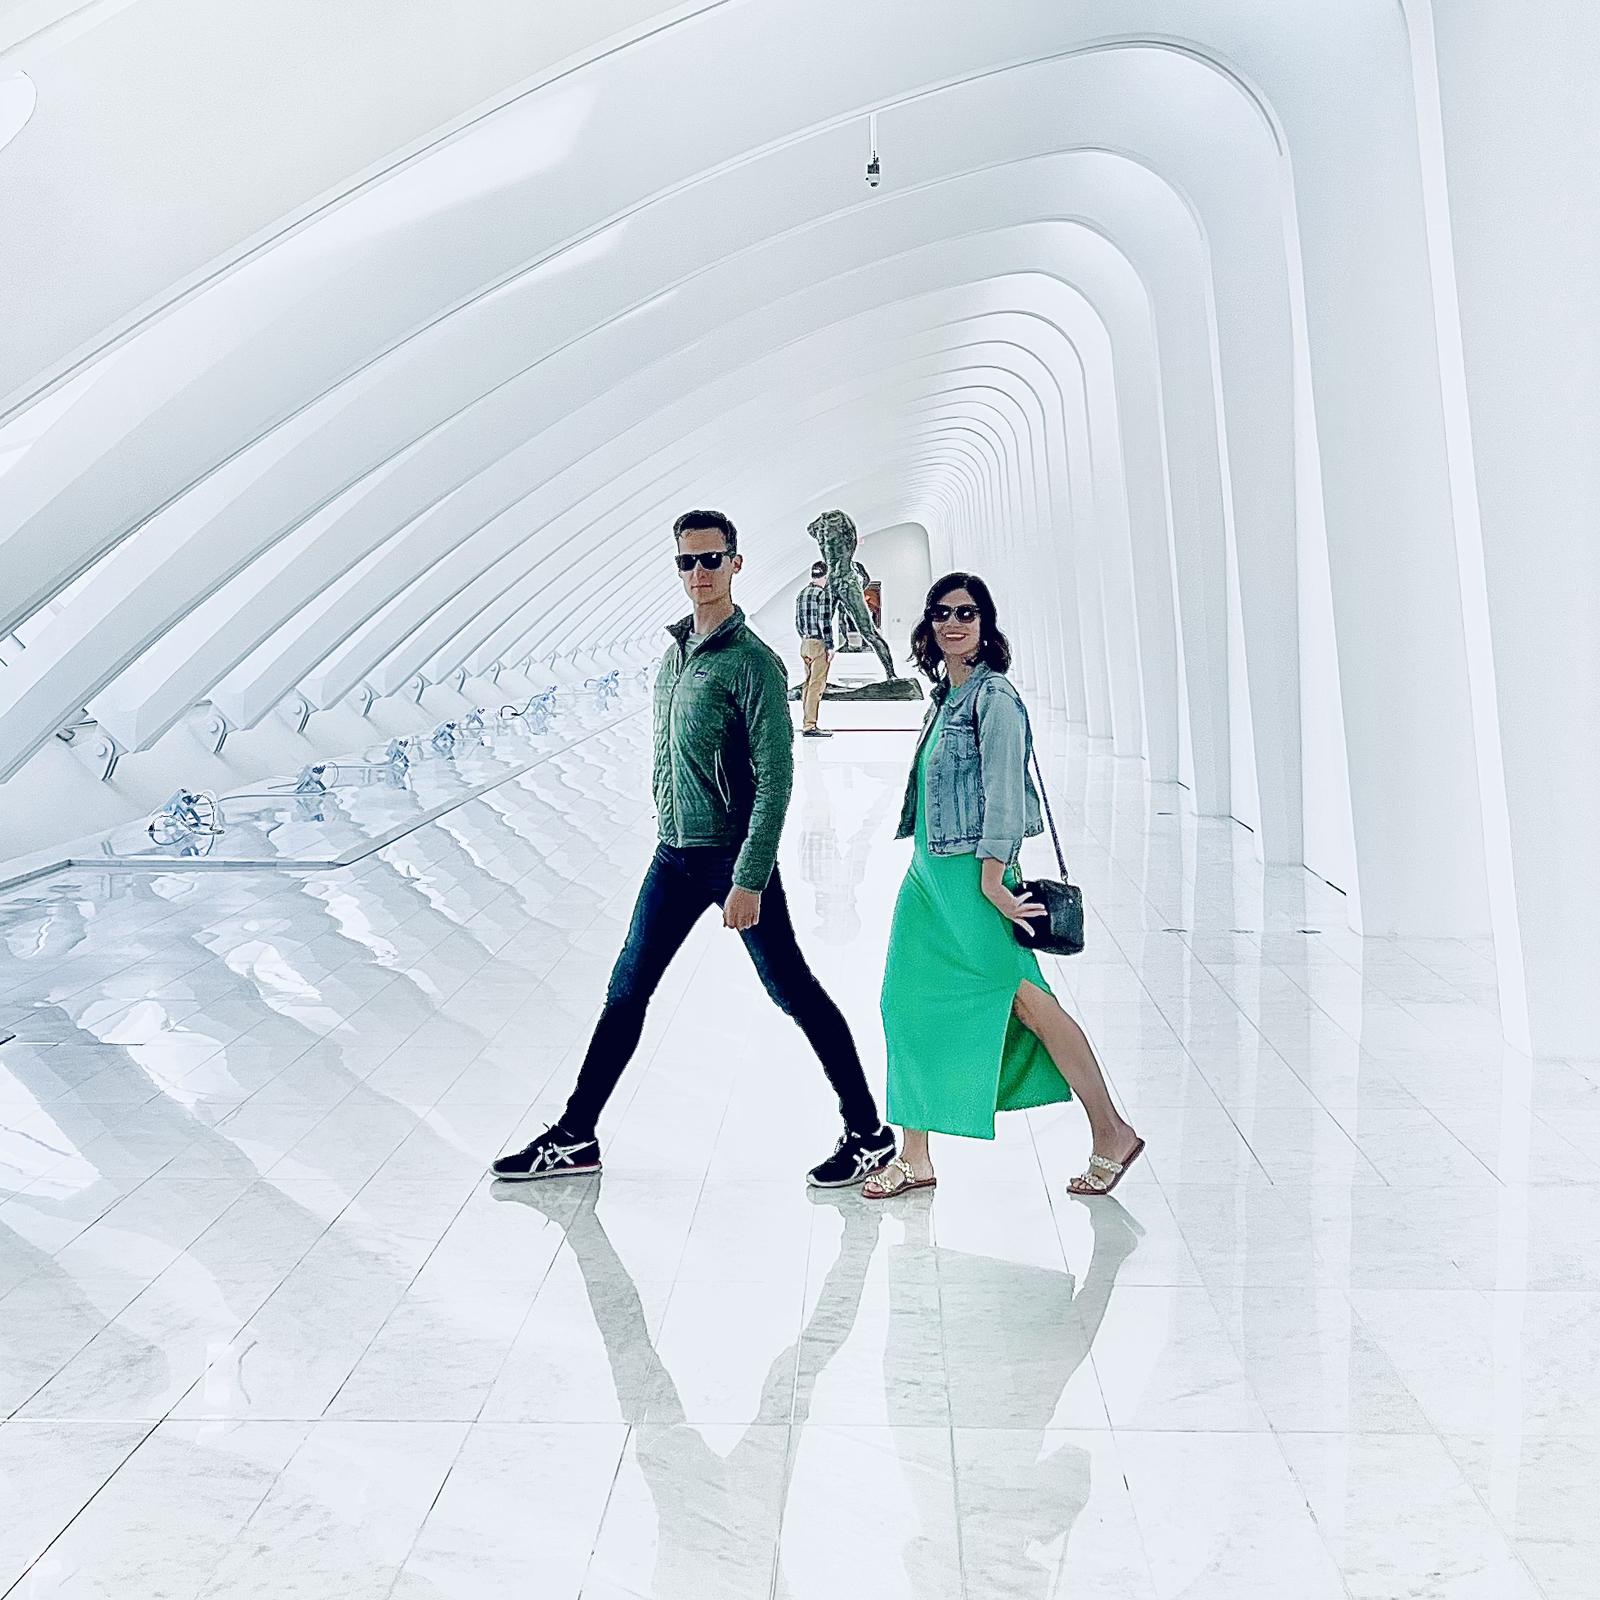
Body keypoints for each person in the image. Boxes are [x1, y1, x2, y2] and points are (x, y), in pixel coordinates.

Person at [492, 509, 896, 1189]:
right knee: (626, 989)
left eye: (712, 560)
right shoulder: (673, 658)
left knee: (790, 989)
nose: (699, 574)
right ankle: (575, 1135)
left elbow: (776, 778)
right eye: (688, 562)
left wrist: (749, 877)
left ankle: (867, 1134)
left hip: (732, 860)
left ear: (736, 564)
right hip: (673, 855)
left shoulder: (754, 666)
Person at [865, 572, 1144, 1199]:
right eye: (941, 614)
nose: (952, 623)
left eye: (966, 612)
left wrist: (993, 876)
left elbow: (1006, 799)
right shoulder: (947, 696)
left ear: (986, 624)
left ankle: (1111, 1131)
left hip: (973, 879)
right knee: (904, 1003)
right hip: (928, 878)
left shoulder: (996, 699)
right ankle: (915, 1156)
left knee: (1025, 999)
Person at [794, 559, 835, 737]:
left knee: (808, 683)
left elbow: (797, 622)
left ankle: (806, 721)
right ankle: (810, 725)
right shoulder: (822, 594)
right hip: (818, 643)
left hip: (805, 643)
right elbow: (824, 621)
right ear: (825, 576)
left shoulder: (802, 594)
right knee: (816, 686)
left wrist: (805, 638)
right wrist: (830, 645)